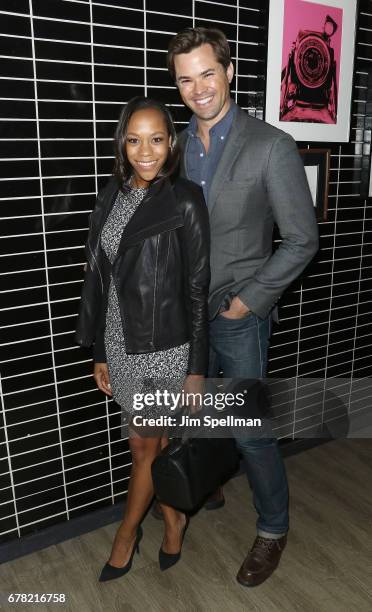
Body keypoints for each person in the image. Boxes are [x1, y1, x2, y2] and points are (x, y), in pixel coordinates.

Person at [163, 27, 320, 587]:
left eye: (207, 73)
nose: (198, 88)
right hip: (184, 317)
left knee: (250, 429)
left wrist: (248, 302)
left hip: (237, 318)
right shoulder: (174, 147)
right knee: (198, 412)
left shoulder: (270, 145)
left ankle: (273, 528)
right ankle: (212, 475)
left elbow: (303, 239)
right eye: (185, 78)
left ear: (228, 72)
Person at [74, 96, 210, 581]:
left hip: (164, 350)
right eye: (134, 140)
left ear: (171, 142)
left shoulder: (186, 199)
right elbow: (102, 280)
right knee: (150, 447)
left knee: (145, 449)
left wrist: (196, 368)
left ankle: (125, 538)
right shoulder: (112, 192)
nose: (145, 151)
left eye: (156, 139)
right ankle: (173, 522)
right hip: (120, 343)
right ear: (122, 143)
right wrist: (100, 351)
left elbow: (197, 290)